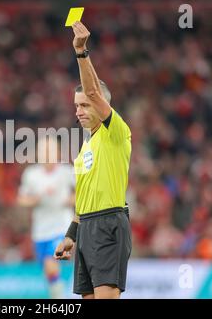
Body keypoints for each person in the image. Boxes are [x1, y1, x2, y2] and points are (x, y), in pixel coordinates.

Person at [54, 21, 132, 299]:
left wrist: (81, 52)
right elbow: (82, 200)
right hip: (86, 227)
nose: (79, 110)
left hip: (109, 223)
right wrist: (71, 235)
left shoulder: (116, 132)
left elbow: (94, 93)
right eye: (76, 105)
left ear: (102, 105)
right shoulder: (86, 146)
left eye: (85, 105)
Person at [17, 136, 75, 299]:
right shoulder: (31, 174)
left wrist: (69, 200)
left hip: (62, 226)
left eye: (50, 150)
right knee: (49, 271)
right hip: (40, 230)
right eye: (44, 150)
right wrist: (34, 200)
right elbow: (22, 199)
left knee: (51, 262)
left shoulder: (67, 171)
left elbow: (82, 194)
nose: (47, 154)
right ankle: (57, 293)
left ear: (57, 152)